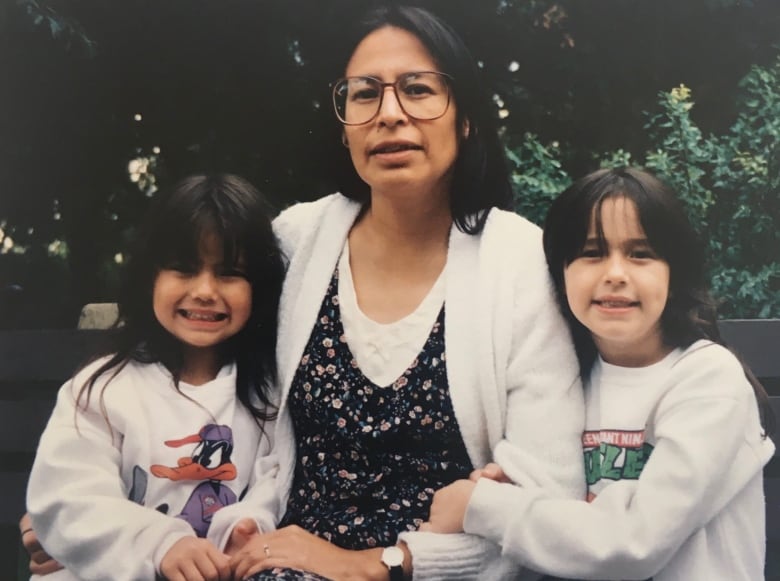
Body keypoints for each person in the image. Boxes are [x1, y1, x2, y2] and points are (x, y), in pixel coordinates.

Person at [224, 5, 585, 581]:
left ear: (465, 118)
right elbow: (191, 379)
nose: (390, 114)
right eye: (364, 94)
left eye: (417, 89)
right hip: (285, 565)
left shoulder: (517, 262)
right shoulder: (295, 244)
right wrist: (108, 516)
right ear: (344, 126)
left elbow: (547, 488)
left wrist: (376, 564)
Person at [423, 167, 775, 580]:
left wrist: (482, 507)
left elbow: (633, 543)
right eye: (592, 252)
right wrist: (513, 489)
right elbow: (552, 499)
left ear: (673, 272)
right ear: (560, 272)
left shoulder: (707, 380)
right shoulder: (567, 377)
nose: (615, 273)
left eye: (640, 253)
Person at [25, 174, 285, 581]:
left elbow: (275, 479)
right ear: (149, 277)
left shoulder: (269, 394)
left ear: (261, 288)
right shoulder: (101, 390)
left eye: (230, 272)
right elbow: (69, 497)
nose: (204, 290)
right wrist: (162, 545)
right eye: (183, 269)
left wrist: (247, 525)